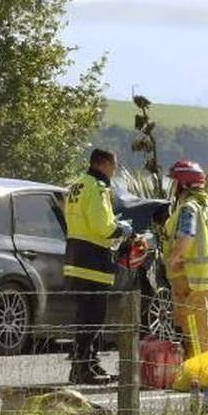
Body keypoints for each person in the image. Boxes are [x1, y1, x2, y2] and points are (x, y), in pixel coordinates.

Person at [63, 148, 132, 385]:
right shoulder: (98, 187)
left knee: (84, 316)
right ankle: (84, 367)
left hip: (75, 256)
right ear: (103, 164)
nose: (114, 170)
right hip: (92, 259)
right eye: (114, 165)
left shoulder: (77, 185)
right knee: (94, 317)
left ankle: (86, 365)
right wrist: (122, 229)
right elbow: (102, 226)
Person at [163, 160, 208, 358]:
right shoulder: (206, 206)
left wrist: (175, 257)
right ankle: (202, 368)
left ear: (183, 184)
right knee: (201, 324)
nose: (172, 187)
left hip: (187, 276)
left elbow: (186, 234)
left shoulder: (189, 207)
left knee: (189, 326)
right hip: (204, 275)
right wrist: (205, 251)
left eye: (174, 182)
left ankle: (197, 372)